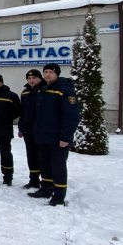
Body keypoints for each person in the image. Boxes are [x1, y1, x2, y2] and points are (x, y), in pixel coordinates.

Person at [28, 63, 80, 206]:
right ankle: (46, 188)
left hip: (58, 138)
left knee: (58, 167)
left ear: (57, 73)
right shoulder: (44, 89)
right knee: (45, 164)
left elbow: (72, 116)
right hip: (44, 136)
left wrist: (65, 137)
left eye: (51, 72)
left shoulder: (65, 90)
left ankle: (58, 196)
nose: (47, 75)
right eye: (45, 72)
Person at [18, 69, 47, 189]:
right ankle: (33, 180)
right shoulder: (25, 92)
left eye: (34, 78)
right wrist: (21, 128)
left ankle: (46, 181)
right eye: (29, 78)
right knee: (31, 156)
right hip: (28, 130)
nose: (31, 80)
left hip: (42, 130)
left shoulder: (45, 90)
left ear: (40, 79)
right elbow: (23, 112)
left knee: (43, 157)